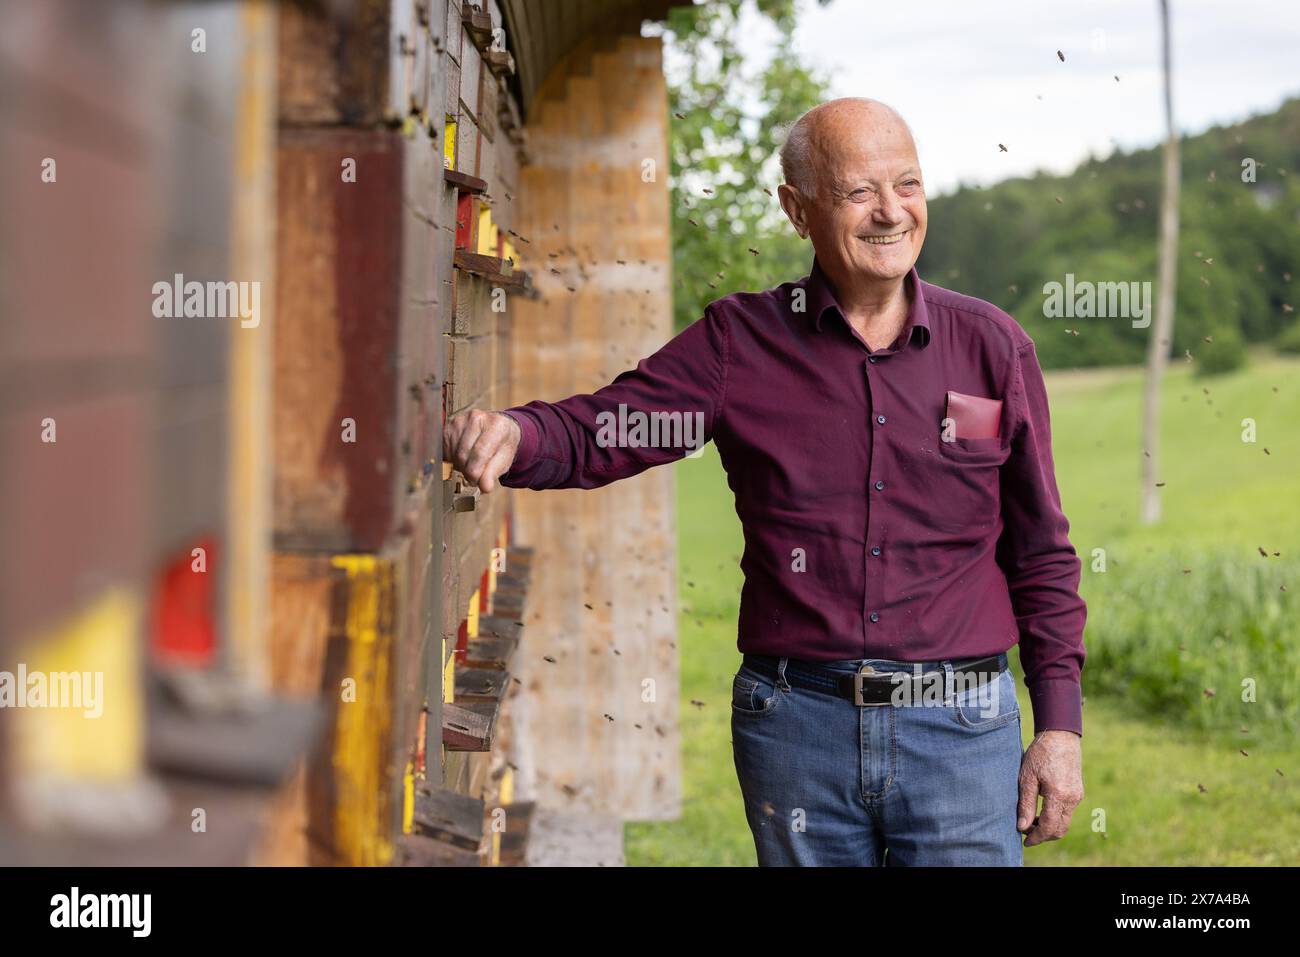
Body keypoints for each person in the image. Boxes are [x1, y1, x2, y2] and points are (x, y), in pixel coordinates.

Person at [443, 98, 1086, 866]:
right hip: (797, 728)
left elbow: (1041, 549)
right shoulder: (739, 342)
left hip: (962, 729)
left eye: (907, 185)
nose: (891, 213)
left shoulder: (993, 347)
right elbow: (610, 426)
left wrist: (1059, 725)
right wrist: (518, 433)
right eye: (858, 192)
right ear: (797, 209)